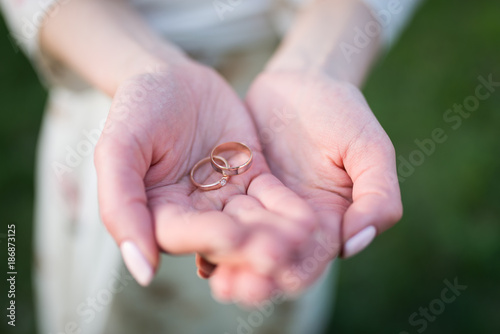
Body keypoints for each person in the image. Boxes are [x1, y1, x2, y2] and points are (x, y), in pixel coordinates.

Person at [1, 0, 421, 333]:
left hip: (291, 117)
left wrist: (322, 65)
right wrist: (140, 68)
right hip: (116, 83)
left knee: (273, 278)